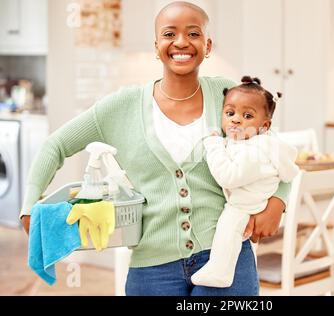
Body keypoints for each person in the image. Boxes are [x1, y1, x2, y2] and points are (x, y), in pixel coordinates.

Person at [20, 1, 290, 296]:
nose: (182, 42)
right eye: (169, 34)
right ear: (157, 45)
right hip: (153, 271)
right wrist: (28, 206)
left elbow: (274, 152)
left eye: (194, 34)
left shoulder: (229, 96)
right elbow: (55, 145)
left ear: (208, 45)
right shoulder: (121, 106)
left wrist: (278, 201)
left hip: (226, 260)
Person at [191, 76, 299, 288]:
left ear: (264, 126)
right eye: (229, 113)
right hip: (249, 198)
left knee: (227, 228)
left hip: (247, 203)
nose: (236, 119)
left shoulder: (256, 150)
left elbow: (227, 176)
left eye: (247, 116)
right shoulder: (249, 143)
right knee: (230, 233)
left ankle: (220, 271)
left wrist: (213, 145)